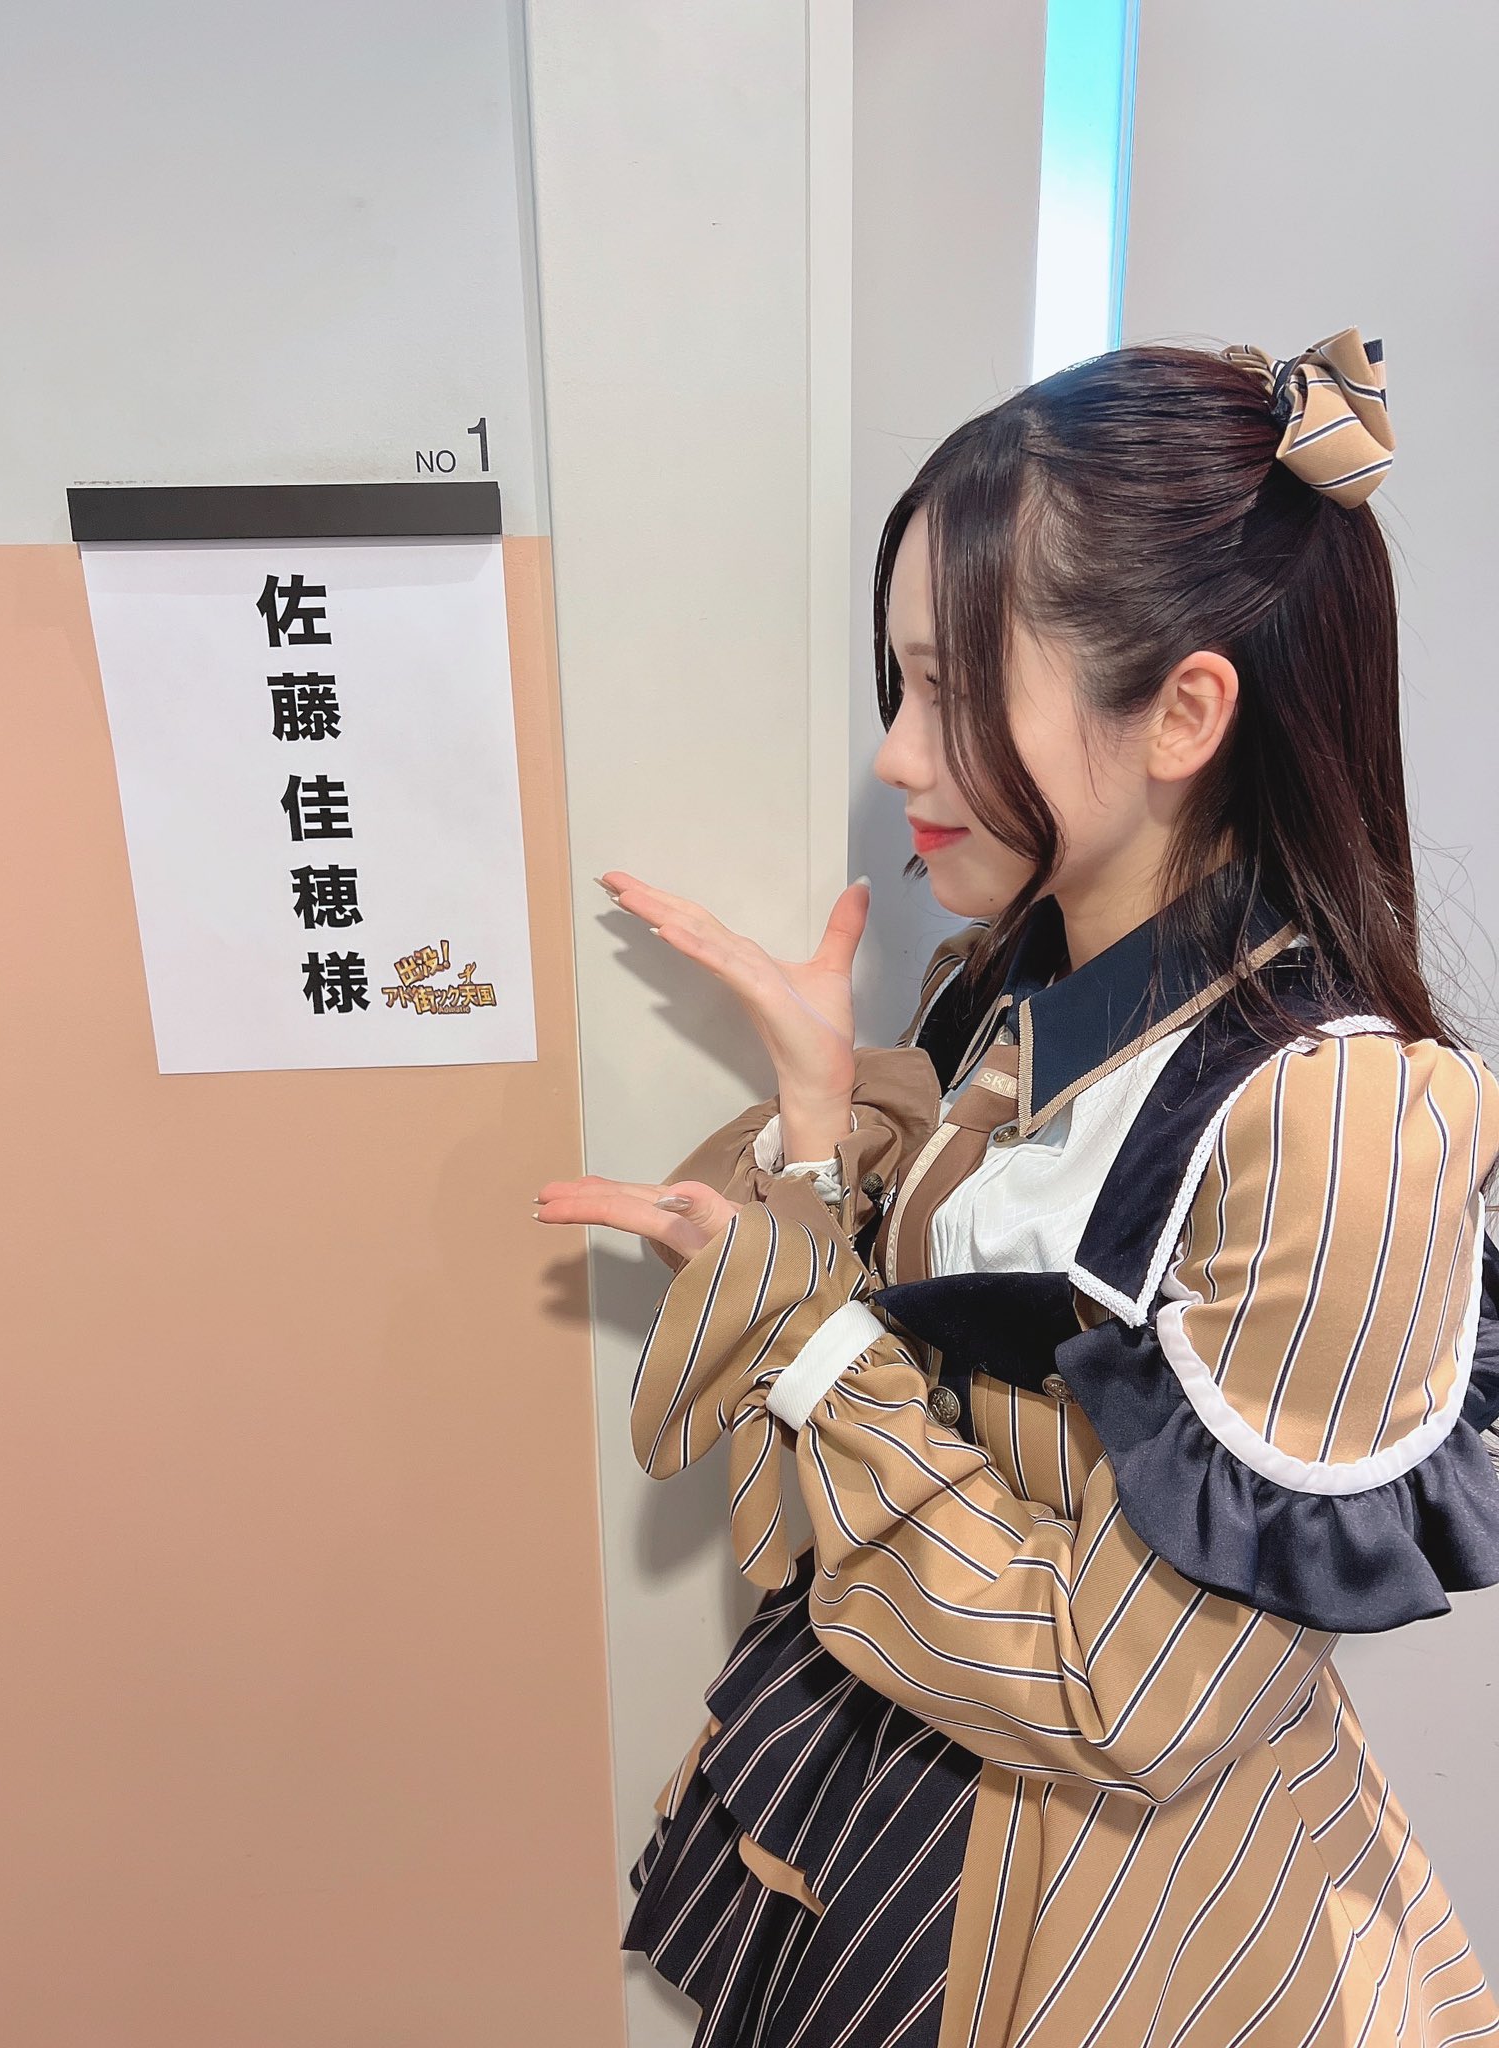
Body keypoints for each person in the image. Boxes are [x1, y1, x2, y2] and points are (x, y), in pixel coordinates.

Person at [536, 328, 1499, 2047]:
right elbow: (883, 1447)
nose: (899, 758)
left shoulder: (1337, 1123)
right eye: (898, 685)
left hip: (1143, 1922)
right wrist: (820, 1127)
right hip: (917, 1814)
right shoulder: (1005, 990)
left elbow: (1127, 1702)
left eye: (954, 692)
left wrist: (810, 1342)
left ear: (1184, 712)